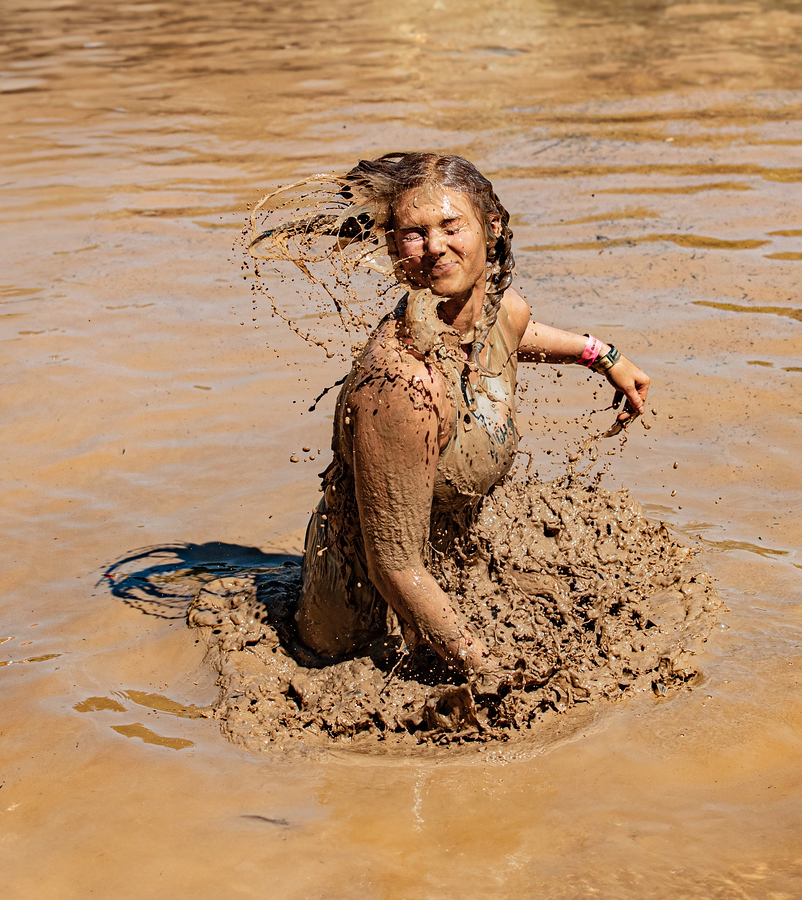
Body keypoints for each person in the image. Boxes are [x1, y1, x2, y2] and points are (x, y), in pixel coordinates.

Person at [263, 152, 650, 685]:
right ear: (395, 249)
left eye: (451, 226)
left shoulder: (499, 309)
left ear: (490, 229)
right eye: (414, 233)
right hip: (356, 633)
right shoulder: (401, 387)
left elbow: (508, 336)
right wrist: (490, 672)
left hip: (432, 586)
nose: (435, 246)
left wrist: (600, 356)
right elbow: (393, 566)